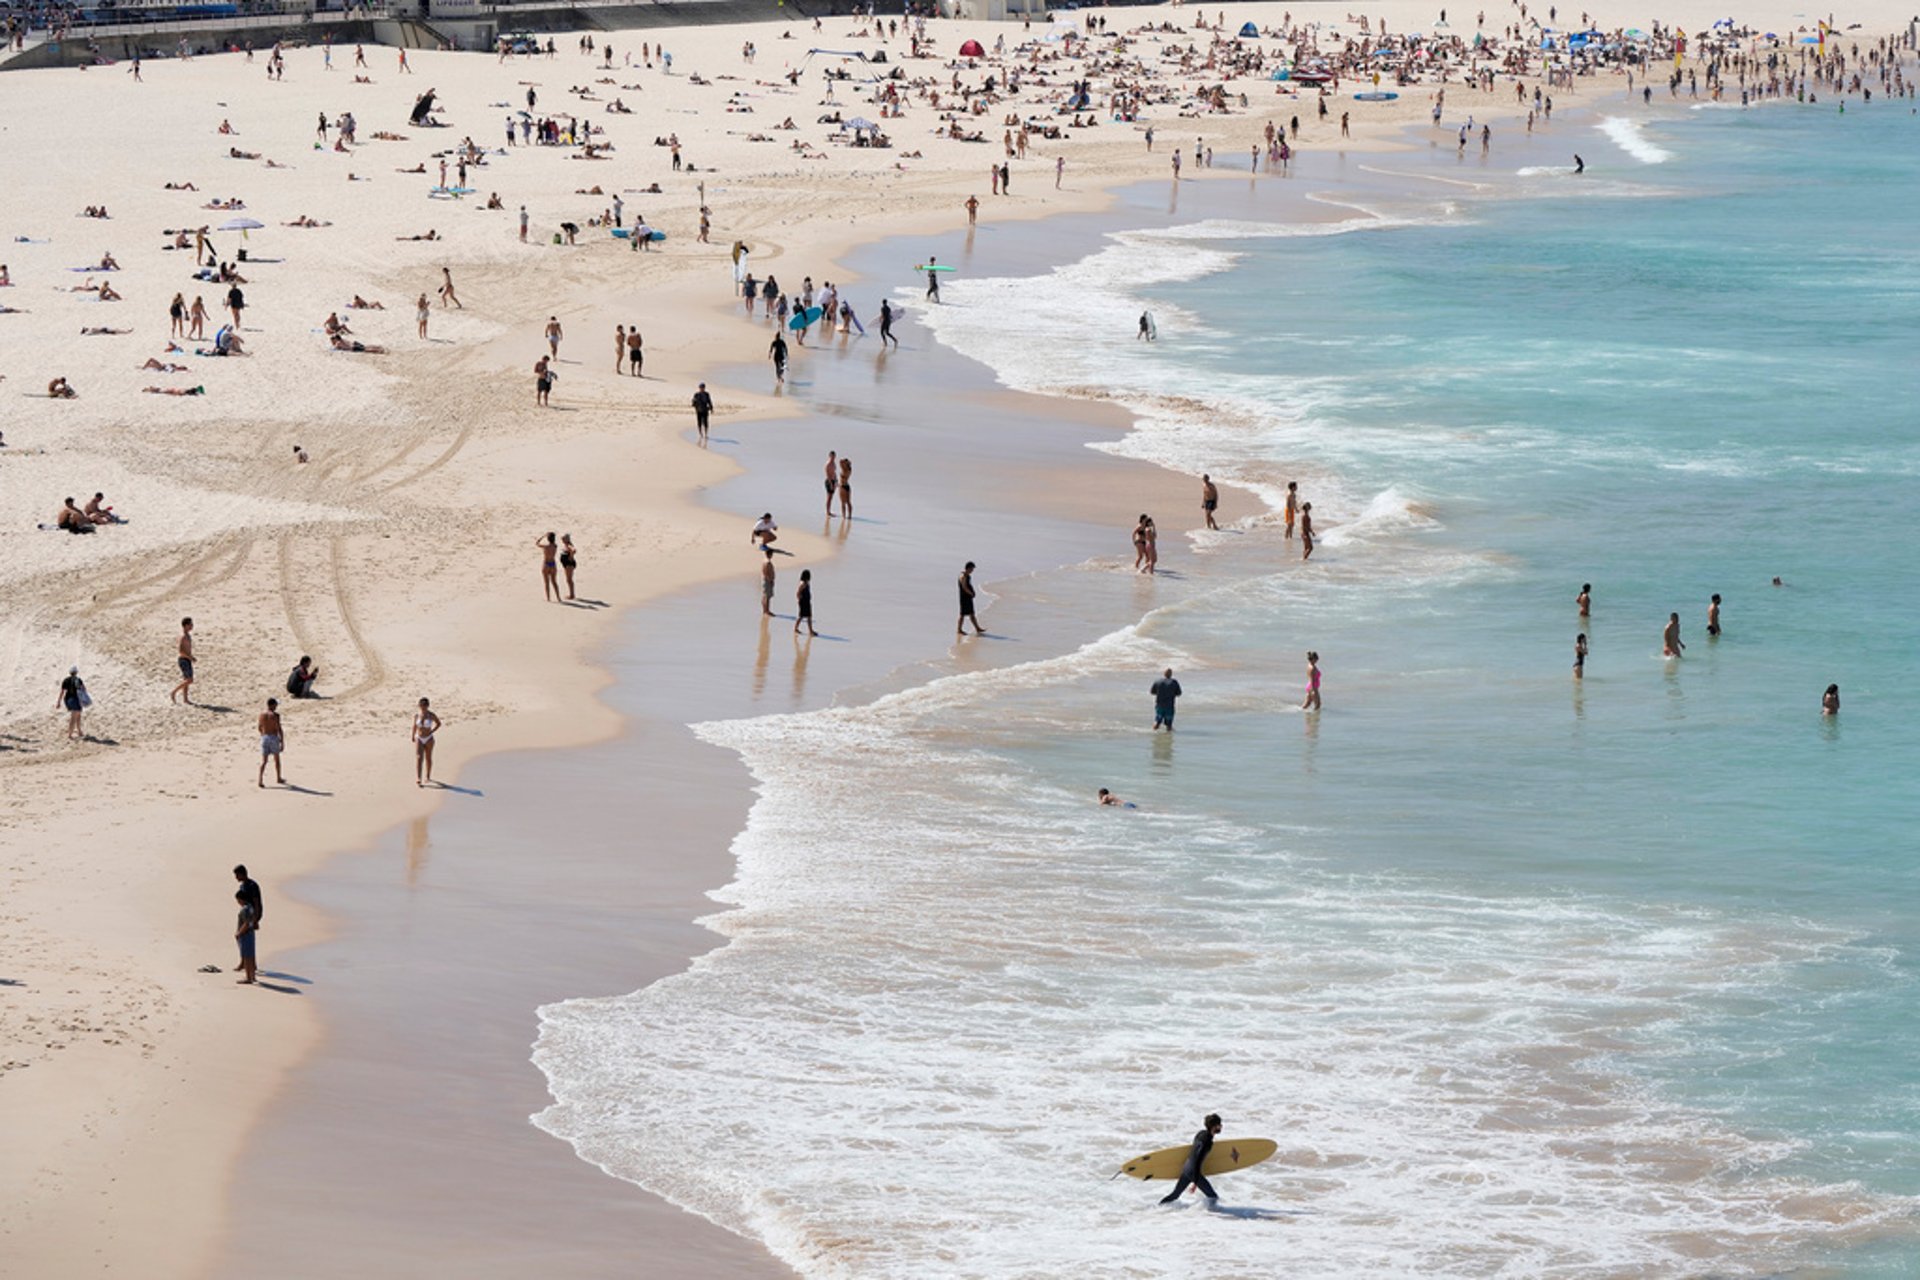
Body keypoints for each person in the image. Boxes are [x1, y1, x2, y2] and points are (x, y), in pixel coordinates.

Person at [1157, 1114, 1223, 1205]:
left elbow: (1194, 1152)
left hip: (1186, 1168)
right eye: (1220, 1124)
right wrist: (1196, 1182)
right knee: (1213, 1197)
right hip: (1193, 1171)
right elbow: (1198, 1159)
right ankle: (1209, 1215)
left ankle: (1158, 1207)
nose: (1221, 1126)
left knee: (1175, 1195)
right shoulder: (1208, 1142)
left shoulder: (1200, 1133)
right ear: (1214, 1126)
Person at [234, 885, 260, 984]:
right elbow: (253, 920)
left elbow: (246, 923)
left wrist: (239, 933)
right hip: (251, 934)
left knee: (246, 956)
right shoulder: (250, 907)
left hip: (245, 934)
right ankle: (252, 976)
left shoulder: (244, 909)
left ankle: (248, 978)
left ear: (241, 899)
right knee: (251, 956)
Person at [412, 697, 441, 785]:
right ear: (419, 706)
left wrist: (432, 731)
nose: (423, 708)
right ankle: (418, 777)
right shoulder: (417, 715)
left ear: (428, 706)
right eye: (421, 706)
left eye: (425, 706)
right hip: (419, 737)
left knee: (428, 758)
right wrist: (412, 735)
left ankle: (428, 776)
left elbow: (439, 723)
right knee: (419, 757)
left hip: (429, 738)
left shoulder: (431, 715)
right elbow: (414, 726)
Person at [258, 697, 284, 787]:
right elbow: (279, 729)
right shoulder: (275, 715)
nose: (276, 706)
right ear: (272, 705)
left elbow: (259, 728)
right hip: (273, 737)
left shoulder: (261, 715)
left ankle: (260, 780)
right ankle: (278, 778)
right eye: (276, 704)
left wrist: (263, 735)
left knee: (264, 761)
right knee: (276, 759)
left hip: (264, 737)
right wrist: (282, 741)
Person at [57, 666, 88, 740]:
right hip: (76, 699)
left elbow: (62, 692)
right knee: (75, 716)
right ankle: (70, 734)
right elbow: (83, 689)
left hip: (68, 699)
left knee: (77, 715)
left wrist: (59, 702)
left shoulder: (66, 680)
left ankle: (79, 731)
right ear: (76, 672)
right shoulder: (78, 680)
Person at [171, 616, 195, 704]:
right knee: (189, 680)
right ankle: (174, 692)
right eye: (190, 624)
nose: (192, 626)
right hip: (183, 660)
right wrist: (190, 657)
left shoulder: (188, 636)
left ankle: (185, 699)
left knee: (186, 680)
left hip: (187, 659)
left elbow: (187, 650)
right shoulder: (183, 637)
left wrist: (191, 657)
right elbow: (181, 651)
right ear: (185, 626)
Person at [957, 561, 984, 635]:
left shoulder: (967, 575)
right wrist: (971, 593)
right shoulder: (963, 576)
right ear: (968, 568)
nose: (972, 571)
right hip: (964, 598)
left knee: (971, 613)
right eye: (972, 569)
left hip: (968, 597)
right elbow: (964, 587)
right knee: (962, 615)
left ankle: (977, 628)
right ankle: (959, 630)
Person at [537, 532, 562, 601]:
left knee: (546, 582)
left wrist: (543, 536)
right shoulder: (555, 546)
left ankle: (548, 598)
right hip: (553, 564)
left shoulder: (546, 546)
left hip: (546, 564)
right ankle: (558, 597)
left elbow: (537, 543)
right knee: (554, 582)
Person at [794, 568, 816, 636]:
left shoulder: (806, 583)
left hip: (807, 601)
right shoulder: (803, 584)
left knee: (809, 616)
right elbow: (798, 593)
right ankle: (796, 628)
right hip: (804, 602)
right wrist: (800, 600)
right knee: (801, 616)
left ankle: (810, 630)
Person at [760, 547, 776, 616]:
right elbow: (766, 572)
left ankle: (765, 610)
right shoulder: (768, 562)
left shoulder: (764, 561)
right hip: (767, 581)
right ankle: (767, 610)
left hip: (765, 580)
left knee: (765, 596)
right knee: (767, 596)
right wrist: (770, 580)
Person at [824, 450, 839, 515]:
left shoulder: (834, 463)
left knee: (831, 497)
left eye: (834, 456)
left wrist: (836, 481)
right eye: (832, 456)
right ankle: (828, 512)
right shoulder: (828, 464)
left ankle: (829, 511)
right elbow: (827, 474)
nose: (833, 458)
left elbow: (834, 473)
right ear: (829, 456)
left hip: (833, 481)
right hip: (829, 481)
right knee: (829, 497)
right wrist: (831, 484)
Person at [838, 456, 852, 521]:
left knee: (843, 502)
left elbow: (840, 461)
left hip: (842, 486)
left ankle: (844, 516)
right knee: (848, 502)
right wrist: (847, 462)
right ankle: (849, 515)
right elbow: (841, 461)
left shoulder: (844, 469)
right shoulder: (849, 470)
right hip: (847, 486)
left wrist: (845, 461)